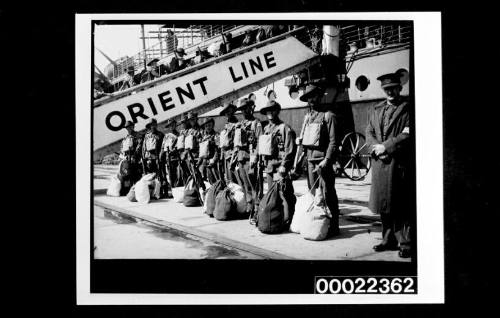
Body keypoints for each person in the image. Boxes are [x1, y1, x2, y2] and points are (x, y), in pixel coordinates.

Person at [366, 72, 413, 258]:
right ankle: (387, 240)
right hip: (380, 163)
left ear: (400, 88)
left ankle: (406, 243)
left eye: (393, 88)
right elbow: (368, 131)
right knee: (384, 205)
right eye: (387, 89)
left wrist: (386, 146)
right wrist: (375, 147)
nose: (390, 92)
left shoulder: (408, 108)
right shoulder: (376, 109)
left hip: (398, 162)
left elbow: (408, 133)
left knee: (401, 204)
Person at [297, 84, 341, 236]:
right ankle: (320, 223)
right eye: (309, 97)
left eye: (314, 96)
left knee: (328, 194)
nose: (312, 99)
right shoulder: (308, 117)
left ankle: (334, 225)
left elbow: (333, 142)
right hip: (310, 161)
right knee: (313, 193)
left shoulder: (329, 116)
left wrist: (327, 160)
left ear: (320, 96)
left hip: (323, 162)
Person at [234, 97, 263, 215]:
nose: (244, 111)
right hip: (241, 158)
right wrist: (234, 159)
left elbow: (260, 141)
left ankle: (257, 208)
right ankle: (249, 206)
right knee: (246, 185)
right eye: (242, 109)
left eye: (246, 108)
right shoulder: (240, 124)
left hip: (251, 158)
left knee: (255, 184)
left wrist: (255, 157)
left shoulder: (256, 123)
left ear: (250, 108)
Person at [259, 100, 297, 189]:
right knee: (272, 195)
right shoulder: (266, 129)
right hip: (269, 168)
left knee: (284, 195)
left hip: (279, 168)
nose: (270, 113)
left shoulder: (284, 127)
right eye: (268, 110)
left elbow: (290, 148)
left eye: (273, 110)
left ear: (277, 111)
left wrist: (284, 165)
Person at [118, 121, 143, 194]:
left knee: (136, 176)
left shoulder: (137, 135)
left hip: (134, 159)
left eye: (130, 127)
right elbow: (122, 148)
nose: (128, 129)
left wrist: (134, 156)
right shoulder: (125, 138)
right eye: (127, 128)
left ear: (133, 127)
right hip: (126, 159)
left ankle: (137, 191)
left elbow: (139, 146)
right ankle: (127, 191)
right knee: (126, 175)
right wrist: (122, 156)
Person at [141, 118, 165, 190]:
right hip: (148, 158)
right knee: (149, 176)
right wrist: (143, 158)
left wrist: (160, 156)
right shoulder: (147, 136)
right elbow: (144, 147)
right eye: (151, 125)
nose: (153, 126)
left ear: (156, 125)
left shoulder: (160, 135)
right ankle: (152, 191)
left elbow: (163, 147)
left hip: (158, 157)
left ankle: (163, 191)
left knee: (161, 175)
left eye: (154, 125)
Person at [218, 102, 239, 184]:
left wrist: (234, 156)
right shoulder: (226, 125)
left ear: (233, 111)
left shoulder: (236, 124)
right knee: (229, 180)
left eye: (229, 111)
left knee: (236, 179)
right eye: (226, 112)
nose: (227, 113)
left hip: (233, 156)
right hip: (226, 155)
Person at [198, 118, 220, 184]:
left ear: (213, 125)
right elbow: (202, 151)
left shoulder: (216, 135)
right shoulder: (203, 137)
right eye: (206, 126)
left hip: (214, 162)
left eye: (210, 125)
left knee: (217, 180)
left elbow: (218, 149)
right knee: (209, 181)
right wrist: (200, 162)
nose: (208, 127)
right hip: (205, 162)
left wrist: (214, 159)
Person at [160, 118, 180, 191]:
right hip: (168, 158)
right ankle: (172, 189)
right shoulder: (166, 136)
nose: (172, 126)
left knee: (178, 175)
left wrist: (174, 150)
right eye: (170, 125)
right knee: (170, 175)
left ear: (175, 125)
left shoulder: (178, 134)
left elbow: (179, 146)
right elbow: (163, 147)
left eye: (173, 125)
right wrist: (161, 155)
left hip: (176, 158)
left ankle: (177, 189)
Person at [176, 114, 192, 185]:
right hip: (182, 157)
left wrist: (184, 154)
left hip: (189, 156)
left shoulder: (191, 130)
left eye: (185, 122)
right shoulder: (181, 132)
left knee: (192, 173)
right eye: (182, 122)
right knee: (183, 174)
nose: (183, 124)